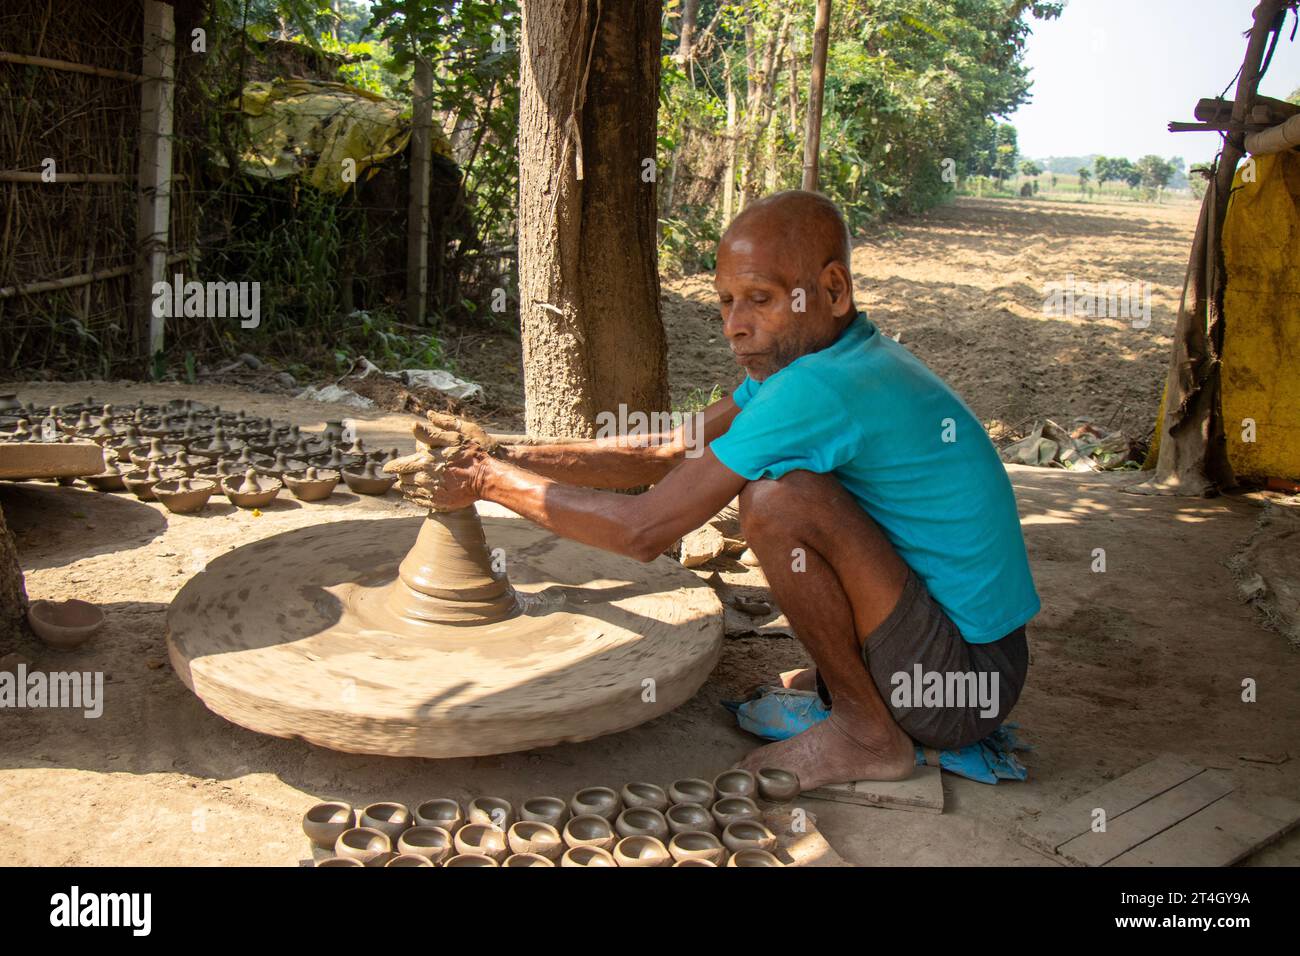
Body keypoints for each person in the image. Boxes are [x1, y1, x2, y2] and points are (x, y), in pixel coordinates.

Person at [391, 190, 1038, 789]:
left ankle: (871, 734)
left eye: (759, 298)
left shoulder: (821, 386)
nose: (734, 325)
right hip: (965, 661)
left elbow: (642, 531)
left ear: (833, 291)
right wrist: (502, 452)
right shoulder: (826, 360)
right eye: (726, 302)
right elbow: (668, 449)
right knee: (781, 490)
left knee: (777, 501)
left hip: (959, 687)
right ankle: (869, 688)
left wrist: (484, 481)